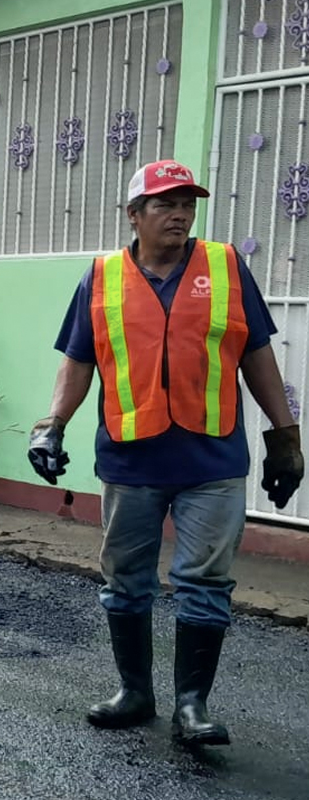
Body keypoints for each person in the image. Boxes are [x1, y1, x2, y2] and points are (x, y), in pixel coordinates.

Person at [29, 159, 303, 746]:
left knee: (204, 580)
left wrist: (286, 438)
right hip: (132, 461)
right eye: (165, 204)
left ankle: (191, 706)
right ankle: (134, 692)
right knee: (125, 580)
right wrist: (50, 425)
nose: (179, 214)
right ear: (134, 215)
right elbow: (79, 361)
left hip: (213, 462)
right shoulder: (100, 277)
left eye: (187, 204)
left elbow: (256, 354)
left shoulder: (226, 266)